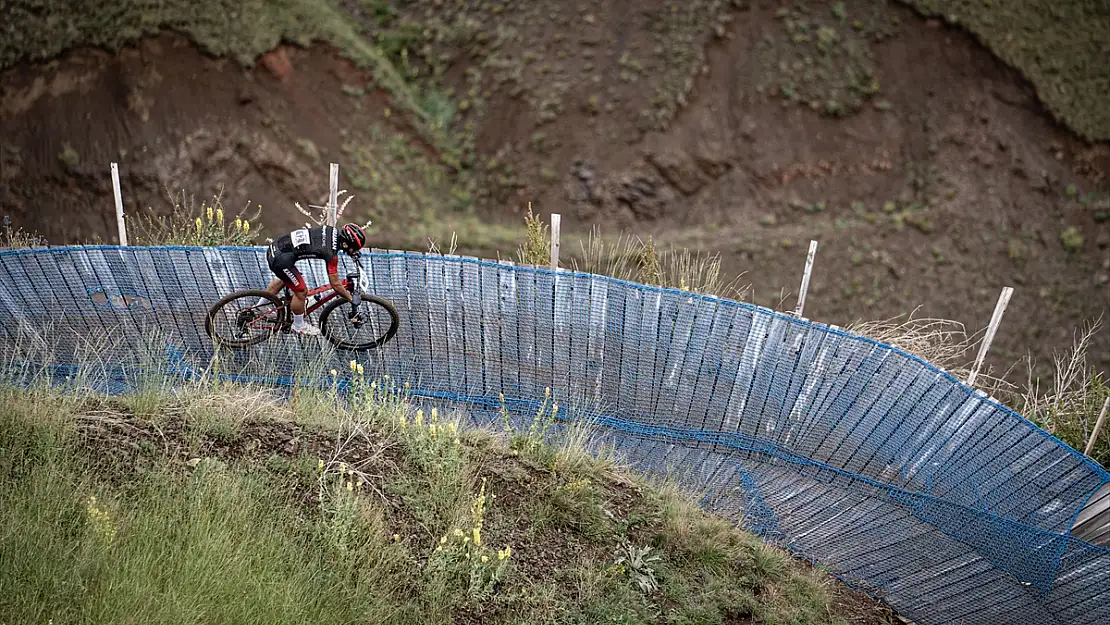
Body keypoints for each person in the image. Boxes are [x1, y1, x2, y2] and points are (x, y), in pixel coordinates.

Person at [256, 222, 367, 335]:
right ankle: (299, 325)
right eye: (353, 249)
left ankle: (258, 308)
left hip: (275, 248)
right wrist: (351, 299)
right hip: (281, 260)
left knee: (286, 278)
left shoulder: (331, 230)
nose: (353, 251)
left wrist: (354, 253)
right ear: (344, 244)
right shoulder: (330, 254)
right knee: (301, 291)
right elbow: (336, 285)